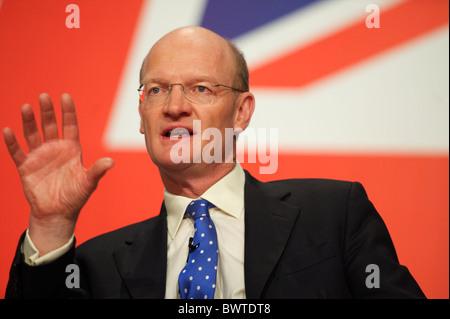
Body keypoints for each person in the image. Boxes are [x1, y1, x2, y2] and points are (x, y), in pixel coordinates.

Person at [3, 26, 425, 299]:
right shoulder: (96, 266)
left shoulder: (333, 214)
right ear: (141, 116)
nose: (173, 106)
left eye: (200, 88)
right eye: (155, 90)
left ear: (241, 112)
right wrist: (51, 225)